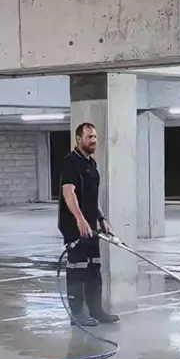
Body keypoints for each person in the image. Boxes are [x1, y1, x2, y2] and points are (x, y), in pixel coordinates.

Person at [58, 122, 119, 326]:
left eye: (94, 136)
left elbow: (93, 198)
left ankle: (96, 309)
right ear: (78, 139)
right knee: (78, 267)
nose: (93, 140)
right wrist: (80, 219)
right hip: (75, 225)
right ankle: (77, 313)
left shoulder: (91, 164)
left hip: (91, 224)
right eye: (89, 137)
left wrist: (101, 219)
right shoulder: (71, 162)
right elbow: (69, 193)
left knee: (94, 266)